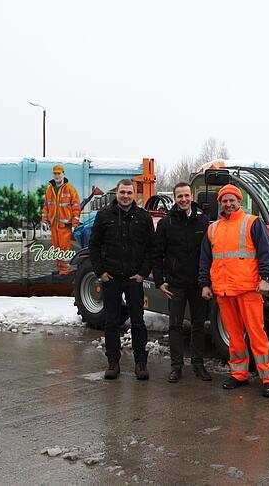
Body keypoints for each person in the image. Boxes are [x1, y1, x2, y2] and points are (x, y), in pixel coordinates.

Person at [199, 184, 269, 398]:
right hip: (224, 291)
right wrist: (205, 284)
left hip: (248, 289)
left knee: (257, 335)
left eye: (232, 200)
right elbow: (205, 259)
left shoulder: (252, 222)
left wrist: (266, 278)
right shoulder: (213, 228)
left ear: (239, 201)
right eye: (225, 200)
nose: (228, 203)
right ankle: (239, 375)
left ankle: (268, 379)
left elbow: (266, 253)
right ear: (220, 204)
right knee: (235, 337)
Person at [89, 179, 154, 381]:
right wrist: (101, 272)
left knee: (137, 322)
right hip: (112, 278)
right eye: (122, 192)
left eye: (129, 192)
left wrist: (143, 273)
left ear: (134, 194)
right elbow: (94, 246)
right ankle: (113, 363)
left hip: (134, 279)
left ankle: (140, 363)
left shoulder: (143, 218)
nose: (125, 196)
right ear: (116, 193)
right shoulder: (103, 217)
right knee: (111, 322)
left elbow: (151, 249)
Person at [152, 182, 211, 383]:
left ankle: (198, 365)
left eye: (186, 195)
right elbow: (157, 254)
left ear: (191, 196)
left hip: (197, 283)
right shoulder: (166, 223)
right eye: (180, 196)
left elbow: (209, 254)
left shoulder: (203, 221)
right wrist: (159, 281)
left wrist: (206, 282)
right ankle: (176, 367)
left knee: (198, 325)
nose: (184, 199)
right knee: (175, 326)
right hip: (175, 284)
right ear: (175, 199)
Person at [41, 164, 81, 274]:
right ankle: (59, 269)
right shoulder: (49, 190)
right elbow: (46, 206)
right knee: (56, 249)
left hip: (65, 226)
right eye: (55, 173)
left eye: (59, 173)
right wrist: (44, 221)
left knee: (64, 249)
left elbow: (76, 207)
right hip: (54, 225)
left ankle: (64, 271)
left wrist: (74, 224)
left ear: (63, 174)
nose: (57, 176)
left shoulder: (70, 189)